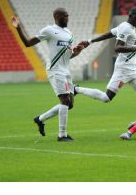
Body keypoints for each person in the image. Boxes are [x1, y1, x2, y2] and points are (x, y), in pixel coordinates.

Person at [11, 8, 85, 142]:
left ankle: (40, 119)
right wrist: (18, 28)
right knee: (65, 101)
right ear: (57, 17)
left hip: (66, 70)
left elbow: (68, 56)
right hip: (55, 70)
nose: (68, 18)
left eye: (68, 16)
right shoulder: (49, 30)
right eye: (65, 16)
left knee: (70, 104)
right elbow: (28, 43)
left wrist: (77, 52)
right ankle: (62, 135)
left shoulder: (69, 33)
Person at [75, 7, 136, 123]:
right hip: (123, 69)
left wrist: (90, 41)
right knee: (106, 98)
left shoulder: (125, 26)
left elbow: (109, 34)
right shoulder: (126, 28)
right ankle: (77, 89)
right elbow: (117, 47)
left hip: (133, 70)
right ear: (131, 16)